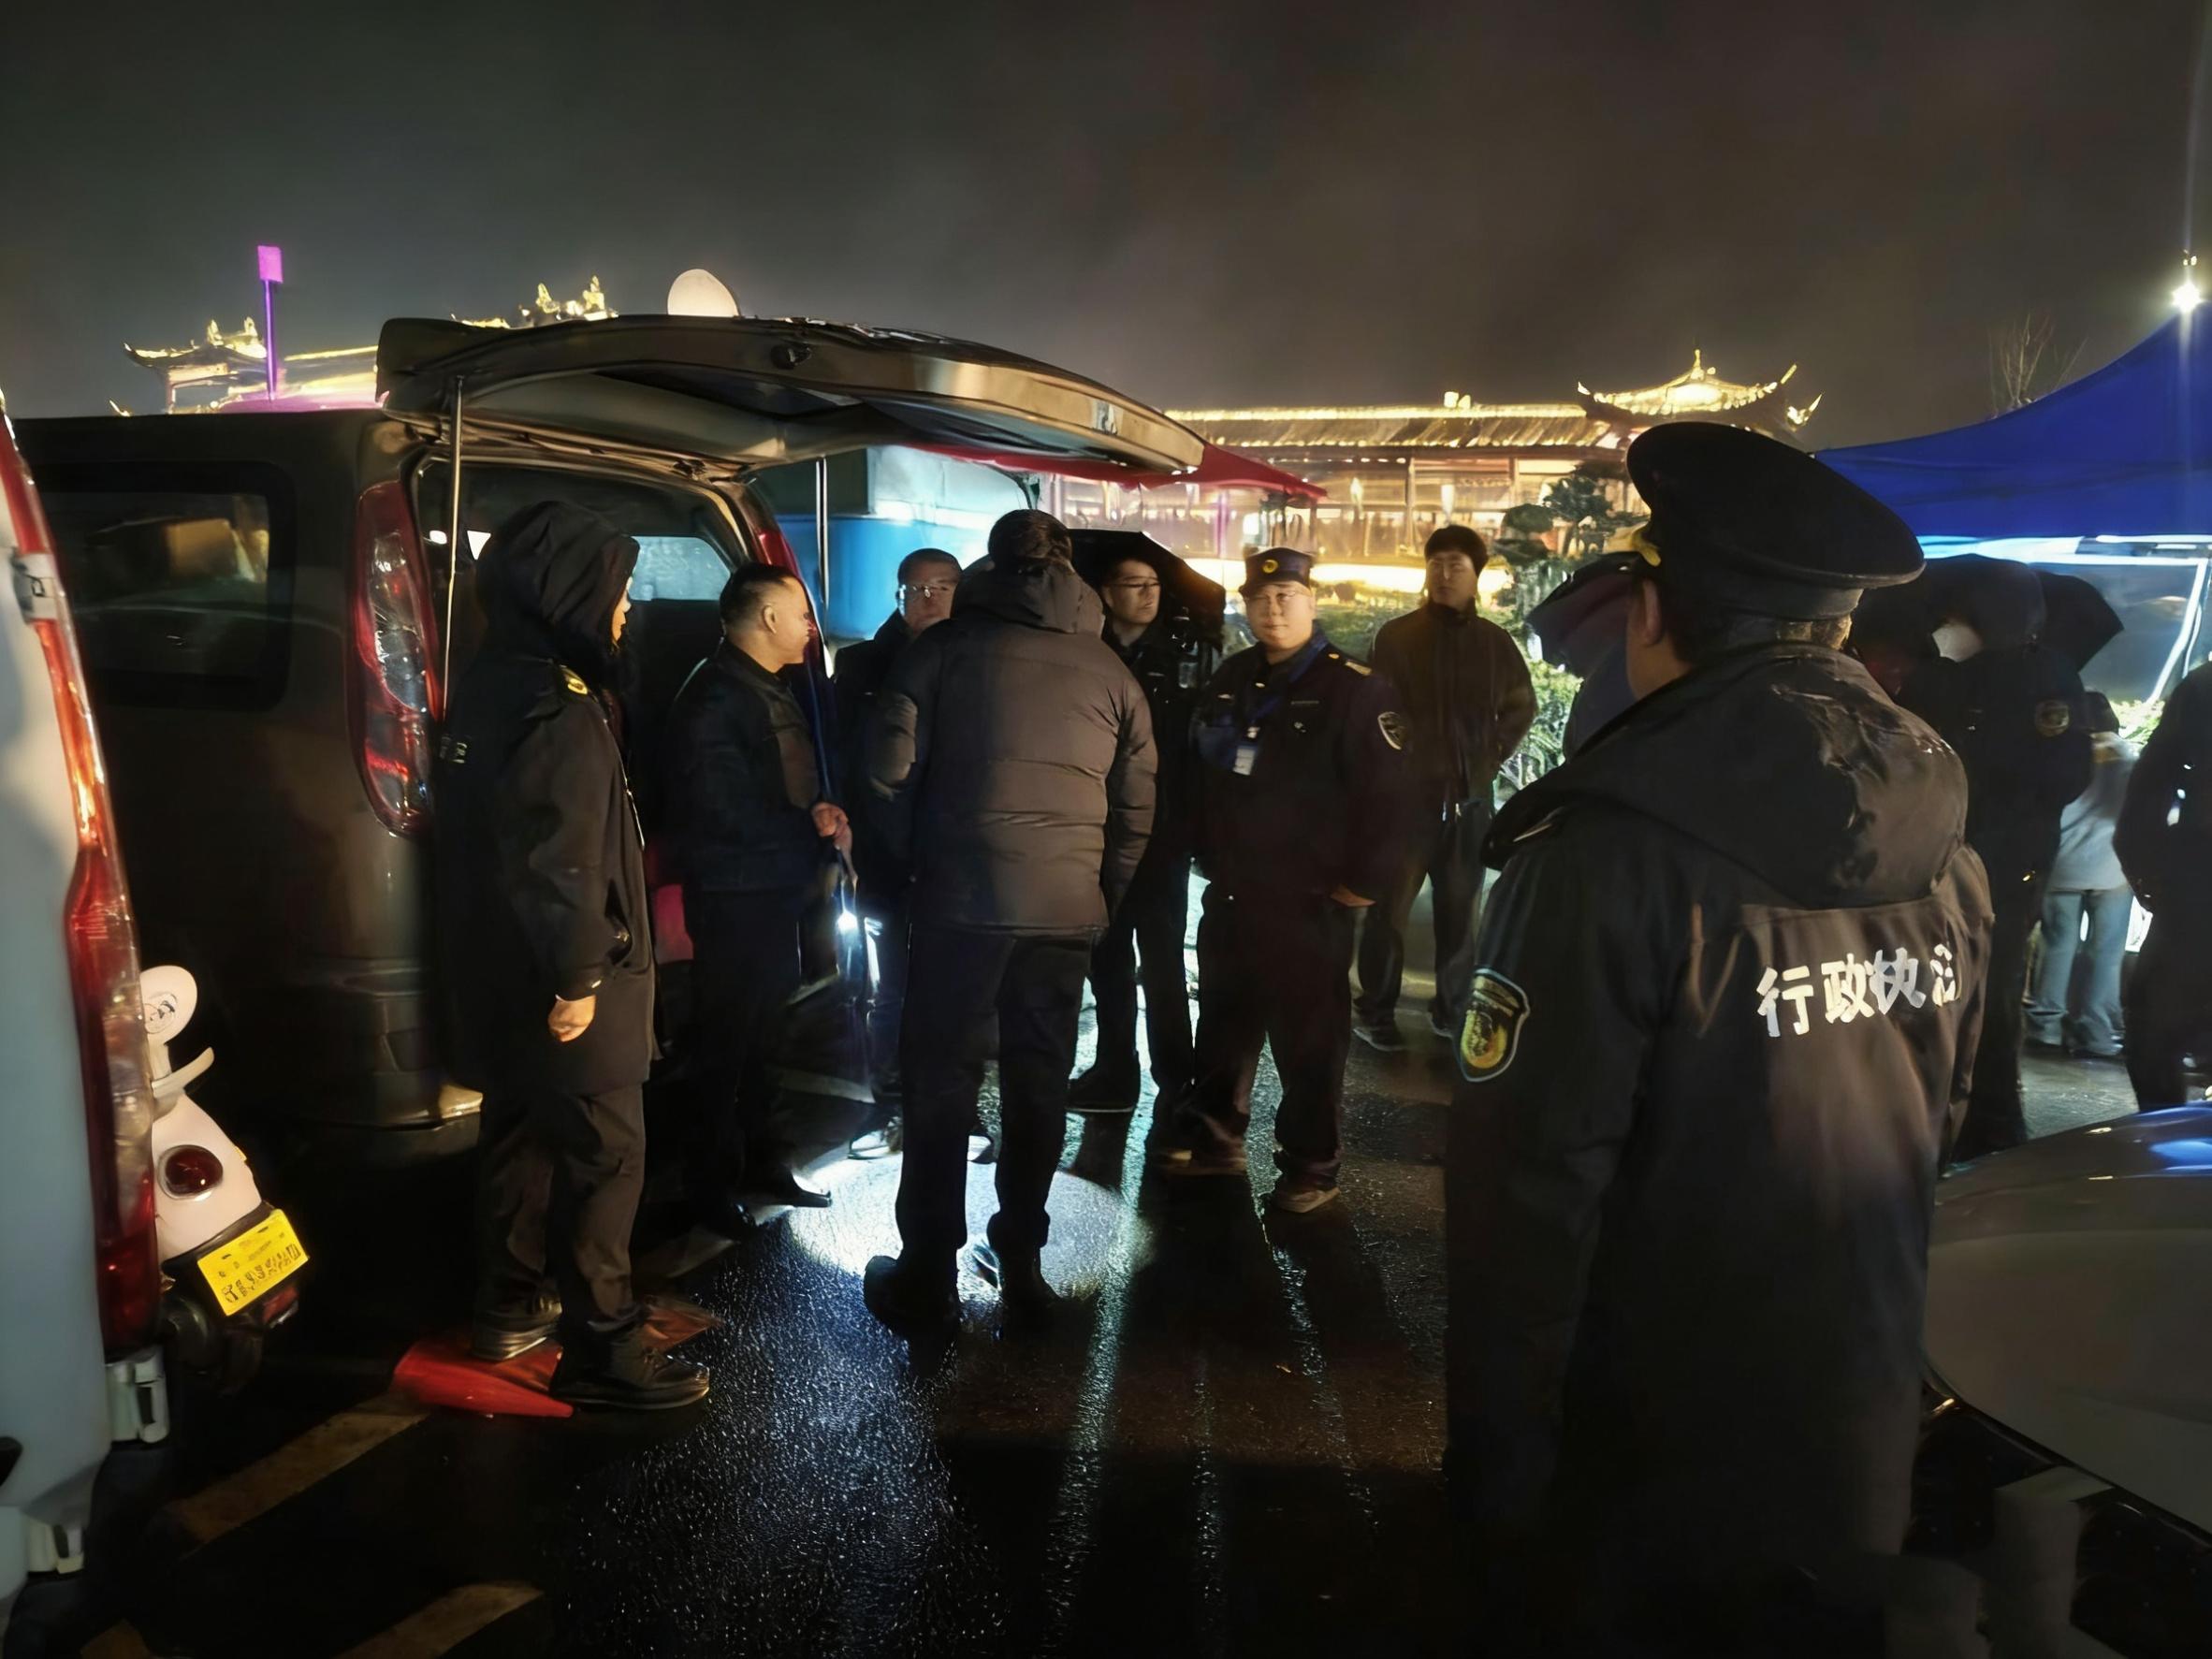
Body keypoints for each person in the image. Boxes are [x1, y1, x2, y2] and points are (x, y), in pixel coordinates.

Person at [1445, 424, 1990, 1645]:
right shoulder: (1945, 845)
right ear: (1837, 632)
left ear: (1649, 614)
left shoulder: (1601, 858)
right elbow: (1940, 1117)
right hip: (1859, 1415)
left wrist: (1495, 1480)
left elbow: (1527, 1205)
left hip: (1649, 1461)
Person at [435, 501, 708, 1410]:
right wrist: (580, 975)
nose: (627, 608)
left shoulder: (491, 681)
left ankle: (509, 1302)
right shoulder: (559, 702)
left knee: (519, 1133)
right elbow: (561, 860)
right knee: (605, 1155)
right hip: (569, 973)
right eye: (618, 589)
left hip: (505, 966)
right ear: (570, 593)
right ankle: (604, 1349)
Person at [862, 509, 1155, 1337]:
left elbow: (886, 775)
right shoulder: (1109, 669)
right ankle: (1022, 1260)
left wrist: (915, 866)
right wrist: (1098, 895)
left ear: (990, 566)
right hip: (1062, 912)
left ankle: (928, 1272)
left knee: (940, 1084)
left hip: (958, 906)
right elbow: (1136, 809)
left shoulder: (940, 650)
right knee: (1038, 1085)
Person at [1156, 547, 1412, 1213]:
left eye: (1287, 596)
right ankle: (1216, 1141)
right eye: (1260, 599)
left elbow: (1390, 797)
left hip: (1310, 896)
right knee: (1224, 1024)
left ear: (1311, 601)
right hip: (1234, 888)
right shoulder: (1233, 676)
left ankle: (1310, 1167)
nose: (1273, 609)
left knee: (1310, 1044)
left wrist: (1366, 881)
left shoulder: (1356, 686)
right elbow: (1202, 773)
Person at [662, 564, 848, 1226]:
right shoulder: (715, 697)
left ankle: (766, 1163)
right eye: (801, 614)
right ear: (768, 617)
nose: (810, 627)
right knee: (726, 1043)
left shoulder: (763, 685)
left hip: (770, 890)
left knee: (766, 1038)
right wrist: (808, 825)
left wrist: (814, 821)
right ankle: (710, 1186)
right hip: (735, 894)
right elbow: (719, 809)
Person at [1899, 563, 2093, 1158]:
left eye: (1959, 613)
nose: (1948, 623)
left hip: (2005, 866)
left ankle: (1991, 1129)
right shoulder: (1944, 674)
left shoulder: (2045, 676)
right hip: (1940, 861)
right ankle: (1936, 1121)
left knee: (1992, 996)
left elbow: (2066, 774)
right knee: (1933, 990)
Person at [1355, 526, 1534, 1050]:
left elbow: (1521, 706)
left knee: (1460, 915)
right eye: (1436, 564)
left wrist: (1489, 757)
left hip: (1468, 803)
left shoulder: (1495, 644)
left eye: (1456, 565)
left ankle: (1451, 1009)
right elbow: (1374, 706)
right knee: (1388, 912)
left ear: (1476, 576)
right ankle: (1375, 1010)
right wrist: (1399, 759)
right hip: (1406, 804)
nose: (1444, 574)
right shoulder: (1397, 637)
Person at [832, 547, 961, 1145]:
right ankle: (886, 1101)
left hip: (955, 856)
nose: (928, 599)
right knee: (888, 989)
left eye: (942, 587)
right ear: (898, 596)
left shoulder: (979, 660)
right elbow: (842, 757)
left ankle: (951, 1109)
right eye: (916, 589)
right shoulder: (862, 666)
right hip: (883, 854)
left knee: (956, 993)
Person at [1068, 551, 1199, 1115]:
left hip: (1163, 833)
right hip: (1100, 828)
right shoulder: (1085, 653)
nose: (1147, 594)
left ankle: (1177, 1078)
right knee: (1108, 956)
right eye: (1133, 583)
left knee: (1163, 960)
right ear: (1106, 591)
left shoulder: (1183, 658)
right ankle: (1114, 1071)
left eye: (1154, 584)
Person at [2116, 662, 2212, 1109]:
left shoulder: (2204, 686)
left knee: (2155, 1032)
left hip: (2199, 886)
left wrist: (2149, 869)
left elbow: (2151, 785)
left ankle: (2168, 1135)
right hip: (2196, 880)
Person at [2027, 692, 2136, 1062]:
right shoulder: (2131, 758)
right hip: (2114, 869)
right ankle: (2099, 1034)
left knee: (2057, 946)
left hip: (2063, 865)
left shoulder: (2062, 756)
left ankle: (2046, 1028)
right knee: (2106, 953)